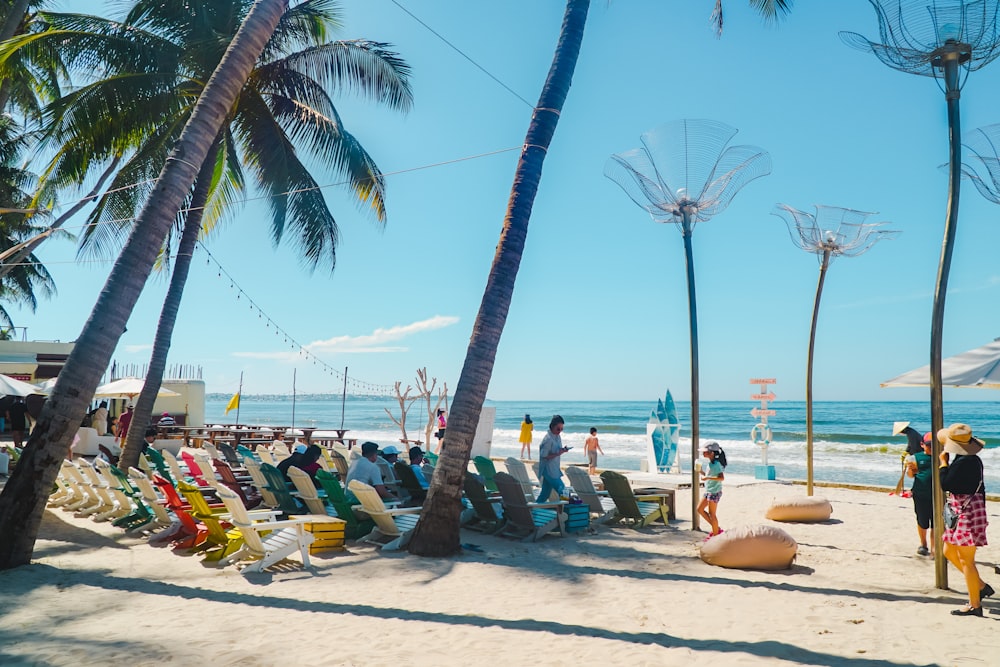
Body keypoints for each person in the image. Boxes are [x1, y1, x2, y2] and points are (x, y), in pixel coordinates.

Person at [937, 423, 993, 617]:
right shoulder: (969, 459)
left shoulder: (964, 462)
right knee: (948, 551)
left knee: (966, 560)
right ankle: (980, 586)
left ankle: (975, 605)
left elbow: (946, 483)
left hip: (967, 513)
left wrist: (943, 463)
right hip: (966, 511)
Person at [905, 432, 934, 556]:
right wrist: (910, 469)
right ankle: (923, 544)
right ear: (922, 444)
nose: (932, 447)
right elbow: (910, 476)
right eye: (929, 445)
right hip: (920, 493)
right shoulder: (916, 457)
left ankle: (934, 548)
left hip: (937, 495)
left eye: (935, 445)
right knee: (922, 521)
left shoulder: (942, 457)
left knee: (936, 522)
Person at [536, 415, 570, 503]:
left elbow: (556, 450)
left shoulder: (557, 436)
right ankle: (564, 512)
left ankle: (533, 510)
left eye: (561, 429)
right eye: (558, 429)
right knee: (563, 491)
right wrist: (558, 453)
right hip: (549, 470)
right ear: (552, 426)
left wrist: (562, 450)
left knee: (545, 494)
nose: (559, 431)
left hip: (554, 468)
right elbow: (544, 455)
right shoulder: (548, 439)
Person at [697, 441, 727, 538]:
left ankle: (716, 535)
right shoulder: (711, 463)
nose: (703, 453)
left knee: (712, 515)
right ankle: (716, 529)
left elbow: (721, 478)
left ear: (712, 453)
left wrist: (708, 478)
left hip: (714, 492)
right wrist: (701, 472)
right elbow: (709, 475)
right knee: (700, 509)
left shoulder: (716, 464)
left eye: (705, 451)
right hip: (709, 491)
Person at [892, 421, 925, 497]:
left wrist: (910, 459)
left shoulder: (911, 434)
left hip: (919, 455)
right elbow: (910, 445)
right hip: (919, 454)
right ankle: (914, 489)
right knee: (917, 474)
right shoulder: (911, 432)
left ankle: (915, 490)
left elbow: (914, 447)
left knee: (917, 474)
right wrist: (906, 452)